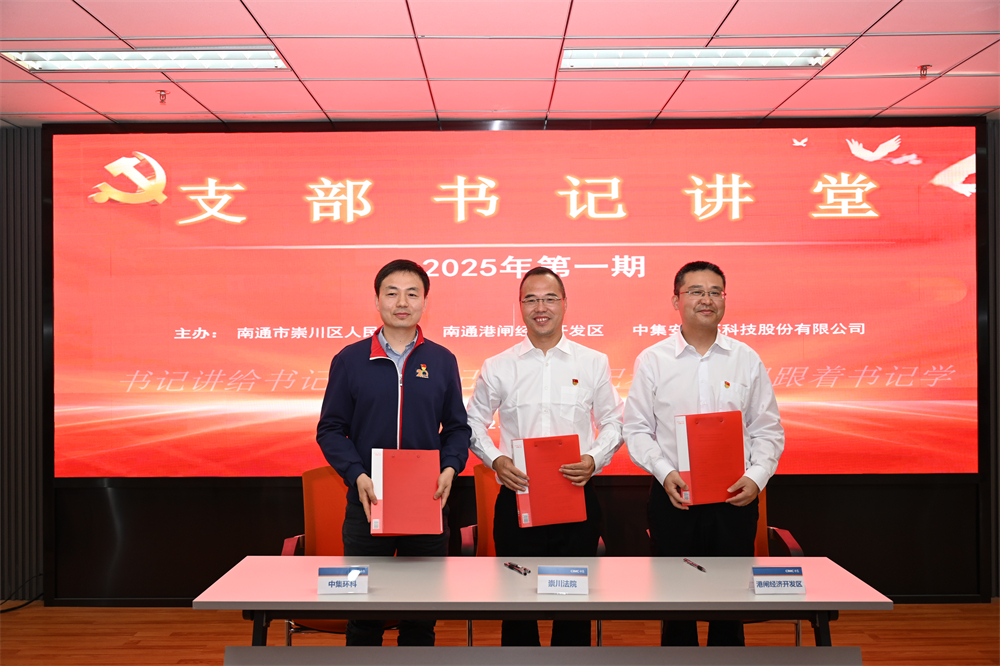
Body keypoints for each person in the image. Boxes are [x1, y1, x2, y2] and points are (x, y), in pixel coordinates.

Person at [623, 261, 784, 647]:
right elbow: (636, 429)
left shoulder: (746, 358)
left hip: (734, 498)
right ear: (676, 300)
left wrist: (756, 478)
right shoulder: (653, 360)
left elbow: (767, 429)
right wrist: (664, 472)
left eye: (715, 292)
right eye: (696, 291)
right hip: (674, 497)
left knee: (729, 605)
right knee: (676, 605)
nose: (706, 299)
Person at [466, 266, 624, 647]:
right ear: (520, 306)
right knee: (518, 608)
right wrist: (496, 460)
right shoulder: (498, 366)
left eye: (550, 298)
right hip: (518, 499)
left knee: (573, 607)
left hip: (575, 496)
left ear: (565, 304)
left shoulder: (593, 362)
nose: (541, 308)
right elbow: (471, 423)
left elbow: (615, 422)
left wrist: (594, 459)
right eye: (531, 299)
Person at [316, 259, 471, 647]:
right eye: (392, 293)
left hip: (427, 502)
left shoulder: (442, 360)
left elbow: (457, 428)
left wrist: (450, 467)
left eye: (412, 294)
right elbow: (331, 429)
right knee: (364, 617)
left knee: (421, 618)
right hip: (368, 502)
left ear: (424, 302)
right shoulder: (350, 360)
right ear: (377, 300)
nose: (402, 302)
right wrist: (356, 474)